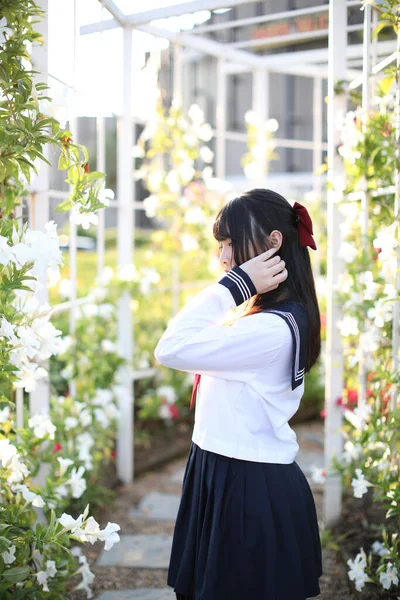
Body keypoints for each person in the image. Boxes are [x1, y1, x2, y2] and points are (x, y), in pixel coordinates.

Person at [154, 188, 323, 600]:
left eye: (230, 243)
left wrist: (235, 286)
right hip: (226, 472)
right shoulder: (268, 316)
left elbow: (170, 348)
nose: (223, 258)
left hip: (246, 487)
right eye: (221, 245)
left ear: (273, 244)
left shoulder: (269, 330)